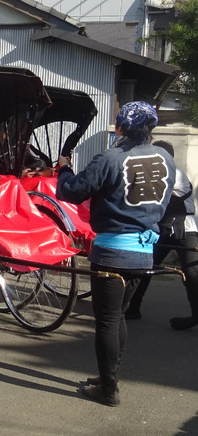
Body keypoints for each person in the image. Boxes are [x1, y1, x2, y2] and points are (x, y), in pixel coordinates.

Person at [56, 101, 176, 407]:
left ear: (120, 128)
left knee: (107, 321)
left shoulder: (111, 157)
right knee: (118, 316)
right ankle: (108, 376)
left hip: (112, 251)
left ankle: (108, 390)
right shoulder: (165, 158)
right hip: (144, 251)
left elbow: (73, 191)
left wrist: (64, 169)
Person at [125, 141, 198, 329]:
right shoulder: (158, 171)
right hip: (164, 228)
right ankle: (131, 308)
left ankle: (196, 315)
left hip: (185, 228)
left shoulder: (175, 172)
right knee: (145, 266)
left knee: (191, 272)